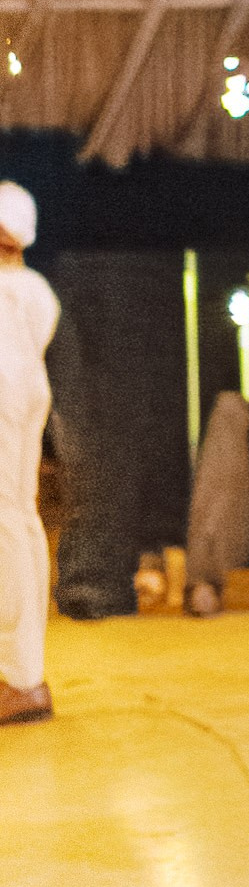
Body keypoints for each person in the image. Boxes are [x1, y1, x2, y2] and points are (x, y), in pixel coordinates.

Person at [0, 182, 58, 727]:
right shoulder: (35, 290)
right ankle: (22, 672)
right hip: (22, 395)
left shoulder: (13, 291)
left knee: (8, 525)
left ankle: (19, 679)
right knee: (19, 521)